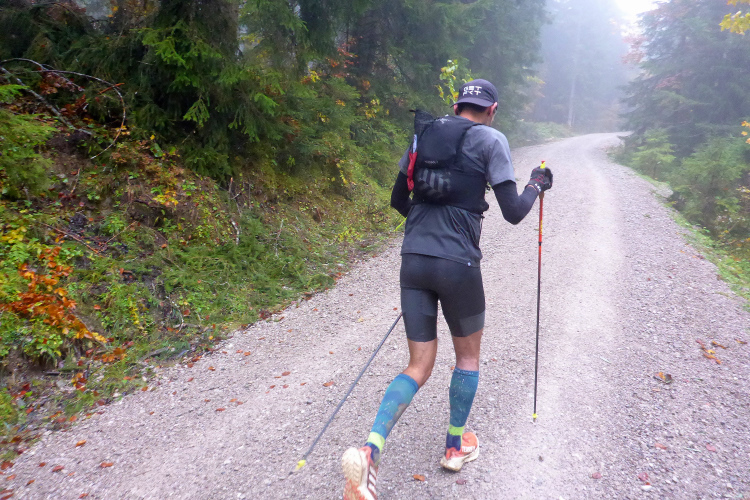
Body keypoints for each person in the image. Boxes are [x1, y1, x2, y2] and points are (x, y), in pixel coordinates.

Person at [341, 79, 553, 500]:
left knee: (418, 365)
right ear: (492, 110)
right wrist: (536, 183)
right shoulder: (491, 140)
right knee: (467, 357)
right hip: (458, 266)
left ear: (456, 107)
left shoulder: (423, 135)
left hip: (414, 261)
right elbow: (513, 212)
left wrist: (431, 221)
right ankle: (455, 446)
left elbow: (398, 200)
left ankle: (370, 450)